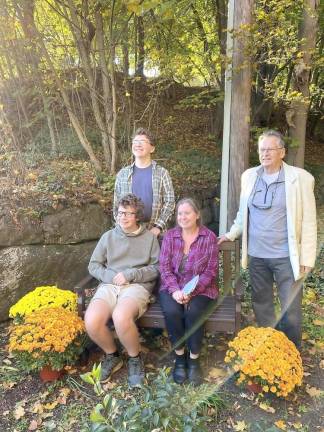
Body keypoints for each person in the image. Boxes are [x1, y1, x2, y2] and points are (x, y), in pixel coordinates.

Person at [218, 130, 317, 348]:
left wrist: (307, 258)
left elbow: (309, 221)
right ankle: (269, 353)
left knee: (291, 310)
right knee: (262, 306)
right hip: (257, 256)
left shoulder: (300, 179)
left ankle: (292, 356)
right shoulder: (249, 177)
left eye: (270, 149)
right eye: (261, 149)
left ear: (282, 152)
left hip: (285, 257)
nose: (264, 153)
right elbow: (243, 214)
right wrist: (231, 233)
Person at [84, 194, 160, 387]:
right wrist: (111, 277)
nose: (123, 217)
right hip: (110, 286)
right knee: (92, 321)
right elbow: (94, 266)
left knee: (120, 316)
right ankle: (112, 354)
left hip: (136, 287)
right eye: (120, 213)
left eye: (128, 213)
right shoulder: (108, 237)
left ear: (137, 216)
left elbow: (157, 268)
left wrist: (131, 274)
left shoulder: (149, 239)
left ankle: (135, 358)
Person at [159, 198, 219, 385]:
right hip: (172, 287)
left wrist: (191, 292)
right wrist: (176, 291)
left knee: (194, 311)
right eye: (180, 213)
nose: (183, 217)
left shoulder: (208, 237)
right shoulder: (170, 236)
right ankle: (179, 358)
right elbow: (165, 267)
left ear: (197, 215)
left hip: (201, 289)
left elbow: (211, 271)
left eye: (187, 213)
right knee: (172, 311)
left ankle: (194, 359)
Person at [114, 127, 175, 236]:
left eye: (142, 141)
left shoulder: (162, 173)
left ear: (152, 148)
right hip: (128, 233)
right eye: (135, 142)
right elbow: (116, 205)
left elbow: (170, 203)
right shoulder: (122, 174)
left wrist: (158, 227)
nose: (138, 144)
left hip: (154, 233)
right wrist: (121, 226)